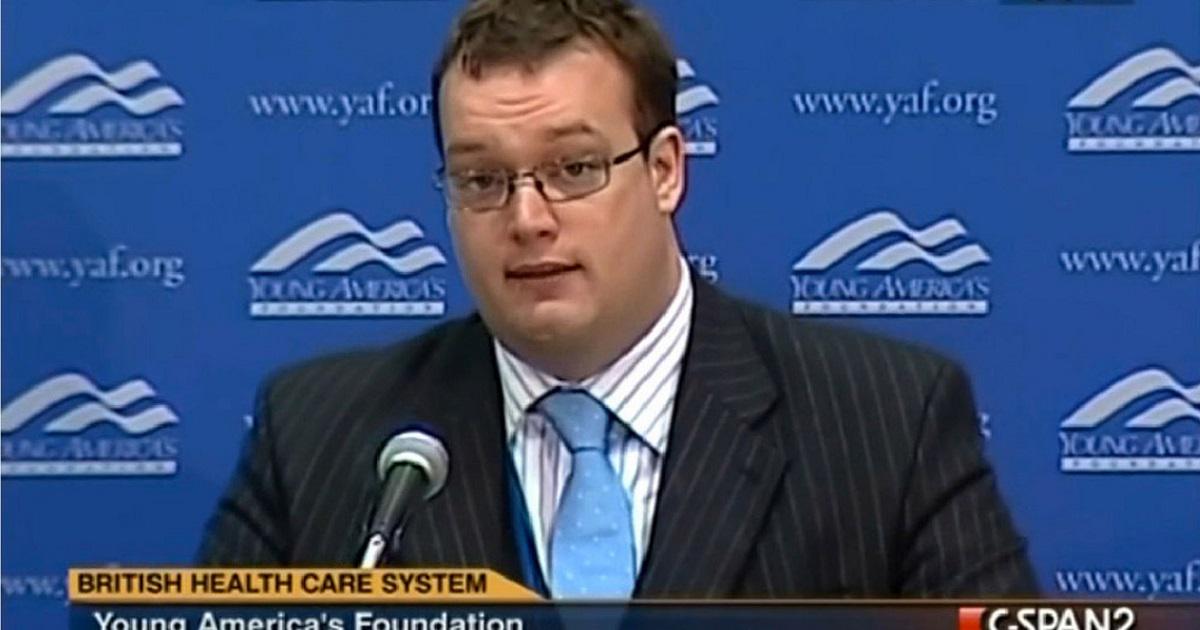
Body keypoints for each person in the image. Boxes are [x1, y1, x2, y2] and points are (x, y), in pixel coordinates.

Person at [198, 0, 1037, 599]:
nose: (527, 219)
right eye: (482, 180)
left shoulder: (884, 423)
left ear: (665, 170)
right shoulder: (319, 438)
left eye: (573, 168)